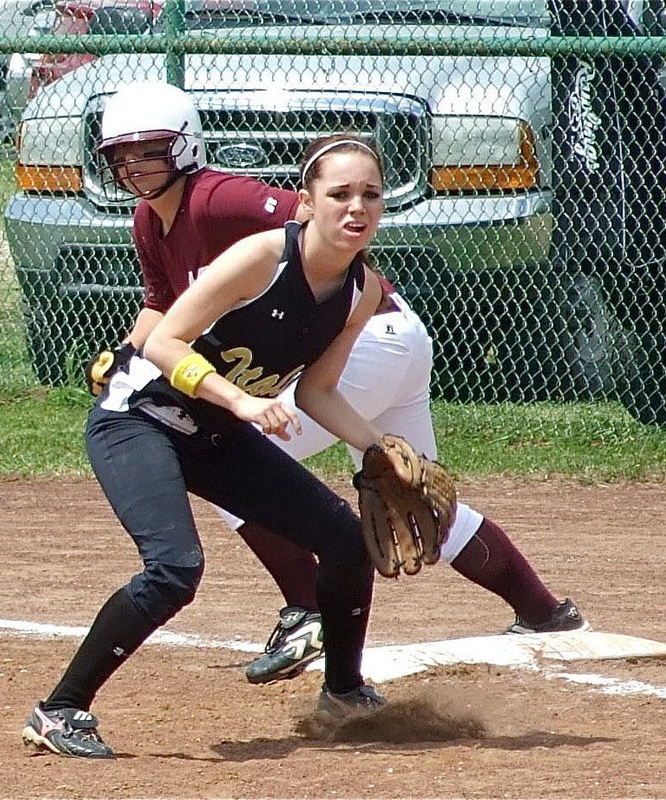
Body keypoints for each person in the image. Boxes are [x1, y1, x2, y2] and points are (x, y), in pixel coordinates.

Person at [85, 81, 589, 687]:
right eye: (122, 155)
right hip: (380, 336)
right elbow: (161, 308)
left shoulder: (218, 198)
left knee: (231, 460)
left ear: (185, 146)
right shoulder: (149, 220)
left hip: (362, 331)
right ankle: (543, 611)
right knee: (408, 488)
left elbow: (312, 218)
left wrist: (317, 287)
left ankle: (308, 611)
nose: (134, 166)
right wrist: (124, 356)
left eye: (149, 151)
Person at [22, 132, 392, 759]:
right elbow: (163, 341)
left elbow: (317, 392)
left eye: (370, 195)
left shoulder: (364, 292)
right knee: (174, 569)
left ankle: (344, 693)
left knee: (345, 541)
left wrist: (378, 448)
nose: (356, 207)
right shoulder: (262, 258)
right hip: (139, 418)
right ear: (306, 202)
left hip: (215, 436)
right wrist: (240, 401)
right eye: (339, 194)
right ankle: (59, 710)